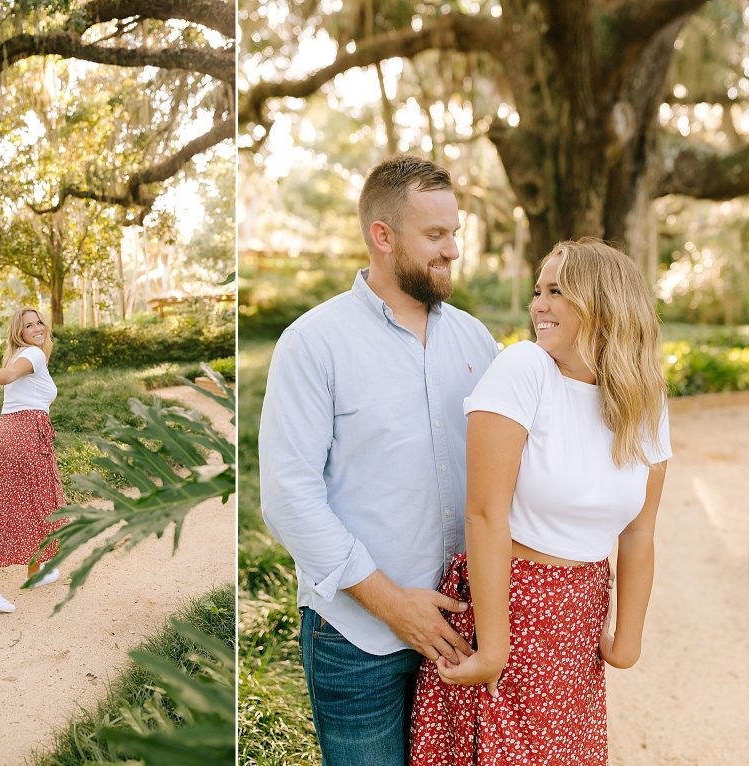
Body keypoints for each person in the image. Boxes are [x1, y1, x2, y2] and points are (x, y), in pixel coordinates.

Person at [258, 154, 500, 764]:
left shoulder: (477, 341)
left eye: (455, 234)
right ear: (383, 237)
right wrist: (394, 607)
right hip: (357, 636)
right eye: (435, 235)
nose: (452, 250)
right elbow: (288, 497)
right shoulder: (314, 343)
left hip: (464, 630)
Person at [410, 239, 671, 765]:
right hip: (512, 605)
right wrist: (493, 649)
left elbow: (639, 531)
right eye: (538, 291)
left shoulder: (645, 398)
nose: (539, 306)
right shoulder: (525, 368)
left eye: (557, 291)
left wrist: (627, 640)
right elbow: (485, 512)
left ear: (603, 303)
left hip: (579, 617)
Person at [0, 307, 65, 613]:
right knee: (41, 501)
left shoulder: (21, 355)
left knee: (8, 506)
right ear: (19, 332)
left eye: (39, 322)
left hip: (4, 435)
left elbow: (10, 374)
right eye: (29, 325)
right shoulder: (32, 355)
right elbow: (9, 376)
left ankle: (27, 572)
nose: (37, 327)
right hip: (26, 434)